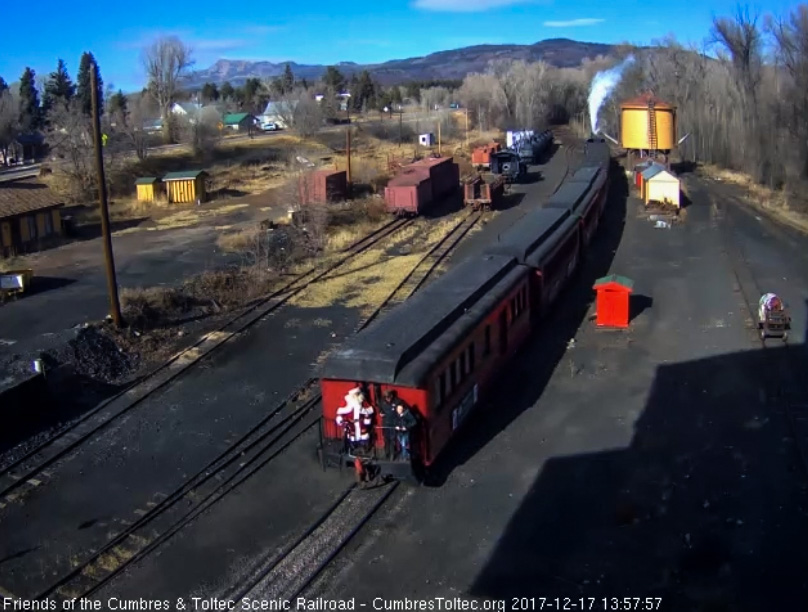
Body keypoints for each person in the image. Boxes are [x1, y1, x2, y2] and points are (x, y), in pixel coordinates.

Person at [335, 386, 374, 450]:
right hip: (351, 423)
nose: (356, 396)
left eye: (357, 394)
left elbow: (368, 410)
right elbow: (340, 411)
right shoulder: (347, 402)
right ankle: (353, 446)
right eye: (355, 394)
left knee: (363, 435)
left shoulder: (362, 401)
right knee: (352, 435)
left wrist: (366, 418)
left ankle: (364, 446)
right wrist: (340, 419)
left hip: (360, 422)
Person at [378, 390, 398, 459]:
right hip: (385, 423)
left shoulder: (396, 402)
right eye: (386, 397)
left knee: (392, 440)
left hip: (393, 423)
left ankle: (392, 454)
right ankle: (386, 453)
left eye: (388, 397)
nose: (387, 399)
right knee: (386, 439)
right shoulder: (382, 402)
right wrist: (380, 413)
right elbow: (380, 409)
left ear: (391, 396)